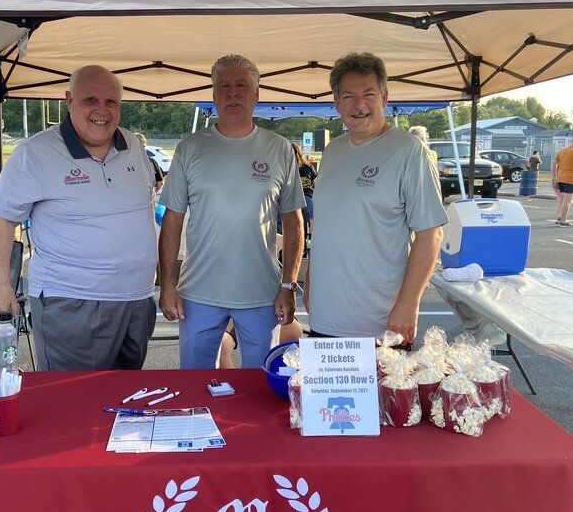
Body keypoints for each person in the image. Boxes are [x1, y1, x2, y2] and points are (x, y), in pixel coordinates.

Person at [0, 65, 158, 371]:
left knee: (125, 403)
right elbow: (1, 219)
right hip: (72, 303)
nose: (102, 111)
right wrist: (0, 285)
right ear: (69, 100)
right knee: (72, 402)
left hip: (136, 301)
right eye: (90, 100)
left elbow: (144, 205)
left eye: (111, 102)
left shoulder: (132, 144)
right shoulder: (36, 153)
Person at [159, 54, 305, 369]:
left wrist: (288, 284)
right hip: (199, 293)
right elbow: (172, 220)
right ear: (213, 95)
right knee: (195, 388)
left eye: (241, 86)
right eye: (224, 86)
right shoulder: (190, 147)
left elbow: (294, 222)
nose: (233, 93)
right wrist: (168, 284)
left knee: (258, 388)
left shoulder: (279, 149)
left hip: (261, 294)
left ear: (256, 94)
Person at [306, 52, 447, 342]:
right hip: (325, 315)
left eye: (368, 94)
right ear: (336, 103)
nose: (359, 105)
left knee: (384, 389)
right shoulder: (333, 151)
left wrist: (409, 304)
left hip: (379, 322)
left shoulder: (408, 151)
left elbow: (430, 234)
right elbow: (324, 226)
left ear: (384, 98)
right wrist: (308, 284)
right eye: (348, 97)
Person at [292, 142, 317, 238]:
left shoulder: (286, 167)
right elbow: (317, 184)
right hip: (308, 197)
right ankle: (310, 240)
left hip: (292, 198)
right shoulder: (308, 166)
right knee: (312, 218)